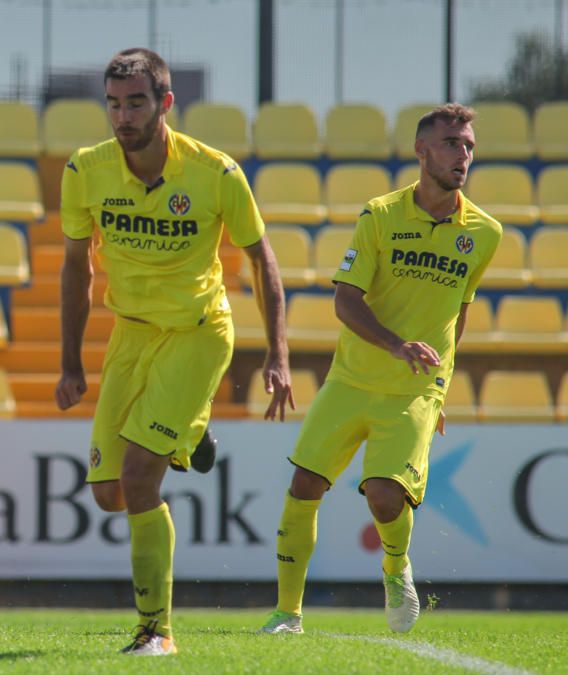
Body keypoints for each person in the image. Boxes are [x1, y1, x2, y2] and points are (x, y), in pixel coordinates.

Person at [56, 48, 294, 656]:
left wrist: (279, 354)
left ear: (165, 103)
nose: (122, 115)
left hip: (197, 332)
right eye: (112, 103)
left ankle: (155, 631)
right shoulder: (86, 171)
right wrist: (69, 362)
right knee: (107, 492)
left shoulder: (215, 173)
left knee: (138, 480)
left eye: (135, 102)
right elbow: (76, 265)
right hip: (132, 333)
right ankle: (193, 429)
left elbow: (261, 259)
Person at [259, 103, 501, 636]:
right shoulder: (380, 214)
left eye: (468, 146)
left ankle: (395, 568)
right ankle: (287, 614)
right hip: (351, 379)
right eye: (451, 144)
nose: (462, 155)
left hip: (413, 391)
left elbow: (456, 316)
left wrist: (439, 392)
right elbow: (345, 301)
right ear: (422, 151)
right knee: (304, 485)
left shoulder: (485, 232)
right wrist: (395, 344)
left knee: (384, 494)